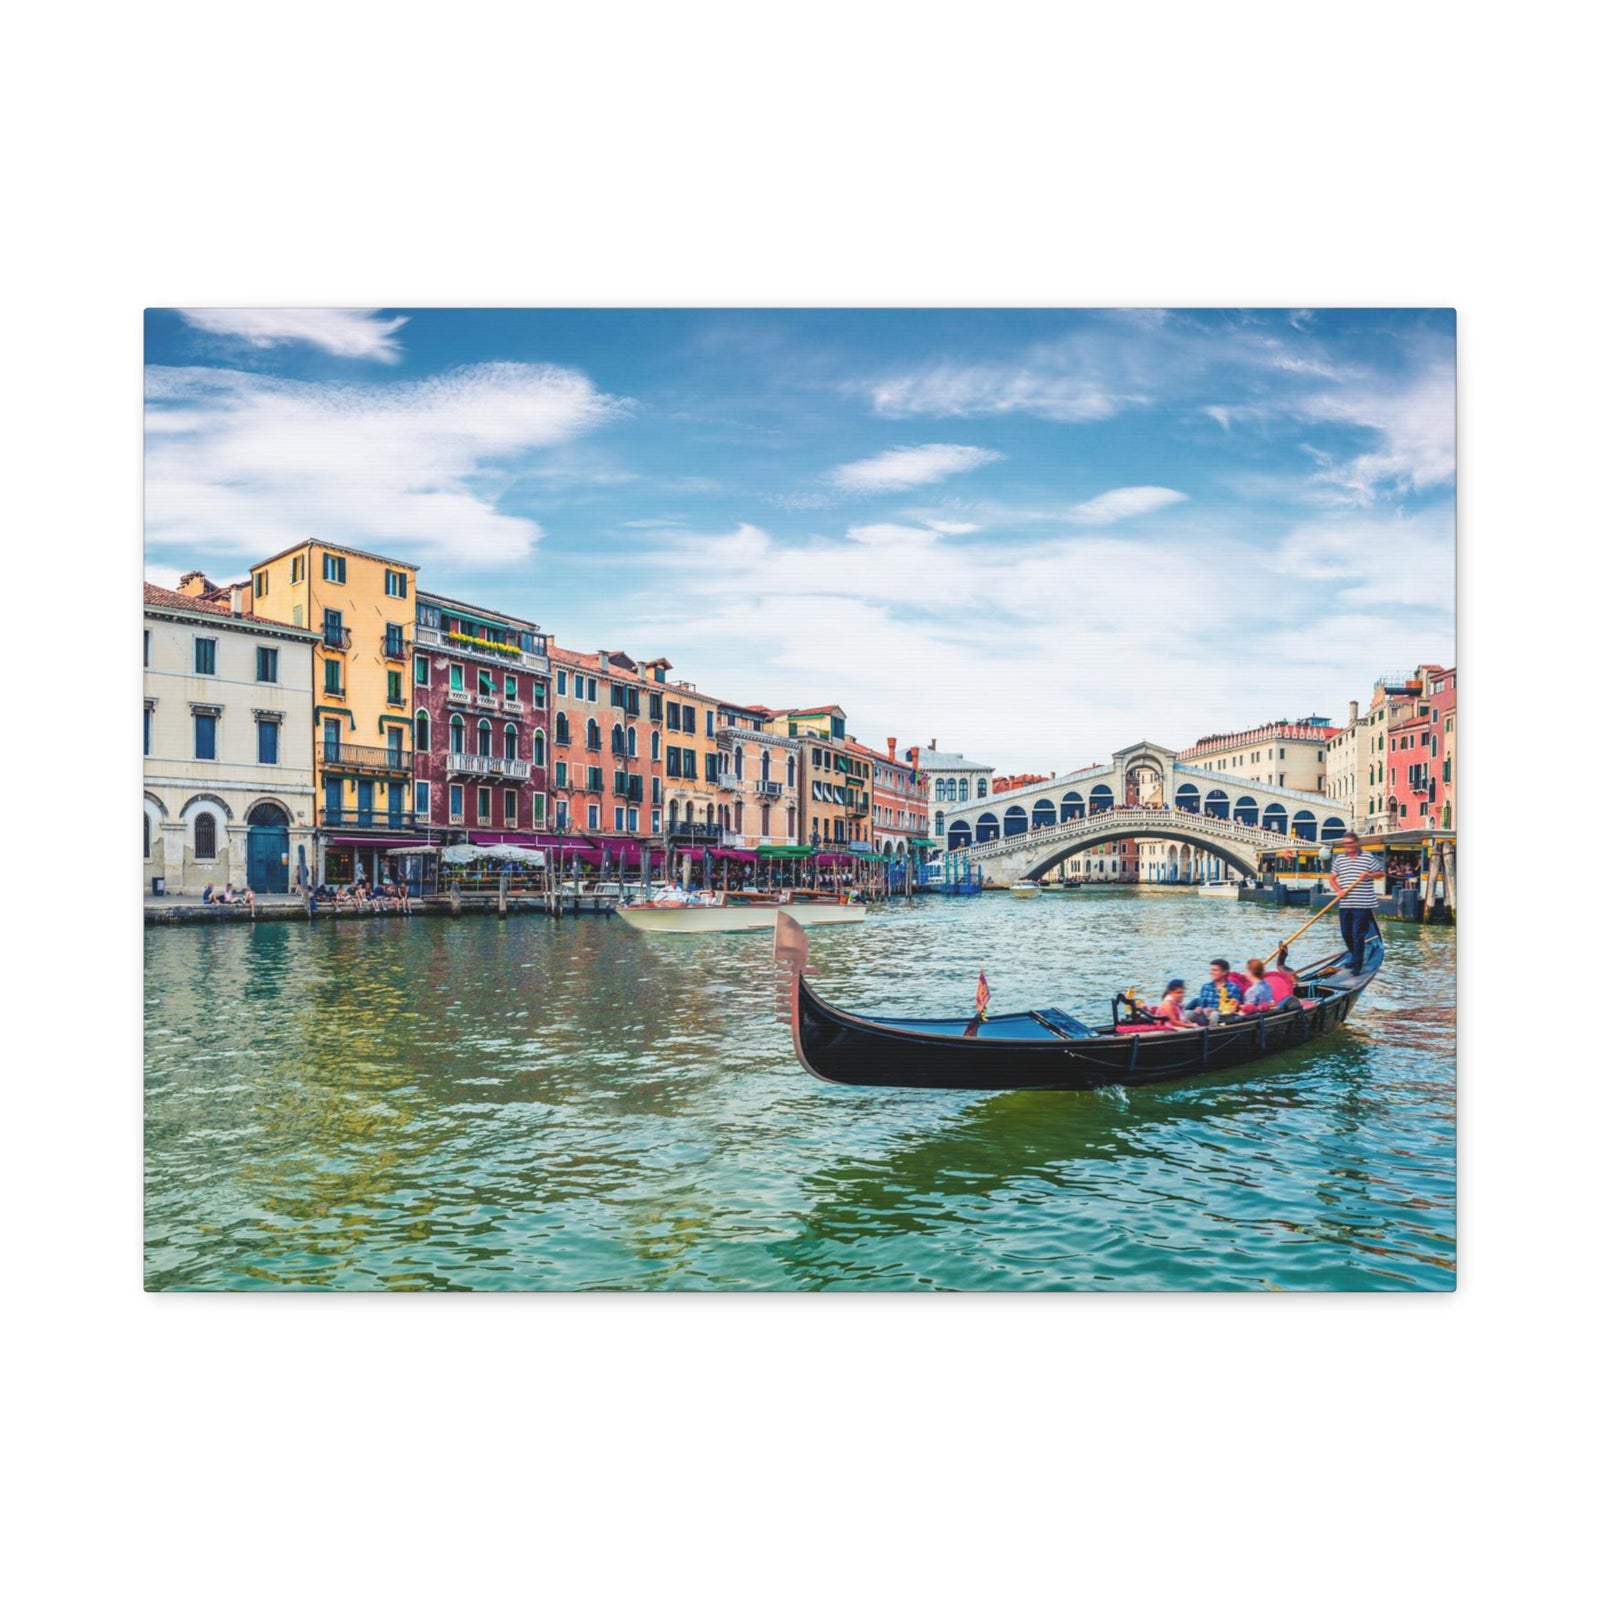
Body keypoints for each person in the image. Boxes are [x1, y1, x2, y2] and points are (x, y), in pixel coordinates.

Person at [1328, 833, 1383, 970]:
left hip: (1363, 904)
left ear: (1356, 843)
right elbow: (1332, 878)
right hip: (1346, 903)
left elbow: (1381, 873)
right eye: (1345, 843)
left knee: (1357, 934)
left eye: (1350, 843)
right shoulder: (1340, 859)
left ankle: (1357, 964)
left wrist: (1368, 874)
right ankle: (1355, 957)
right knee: (1346, 933)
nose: (1348, 846)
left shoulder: (1367, 857)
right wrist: (1339, 891)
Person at [1188, 959, 1246, 1023]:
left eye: (1215, 970)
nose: (1211, 972)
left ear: (1224, 972)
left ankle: (1212, 1028)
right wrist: (1199, 1009)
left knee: (1214, 1015)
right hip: (1204, 1017)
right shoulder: (1206, 987)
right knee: (1188, 1013)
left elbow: (1234, 1009)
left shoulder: (1233, 988)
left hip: (1223, 1019)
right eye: (1211, 970)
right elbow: (1201, 1005)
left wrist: (1214, 1010)